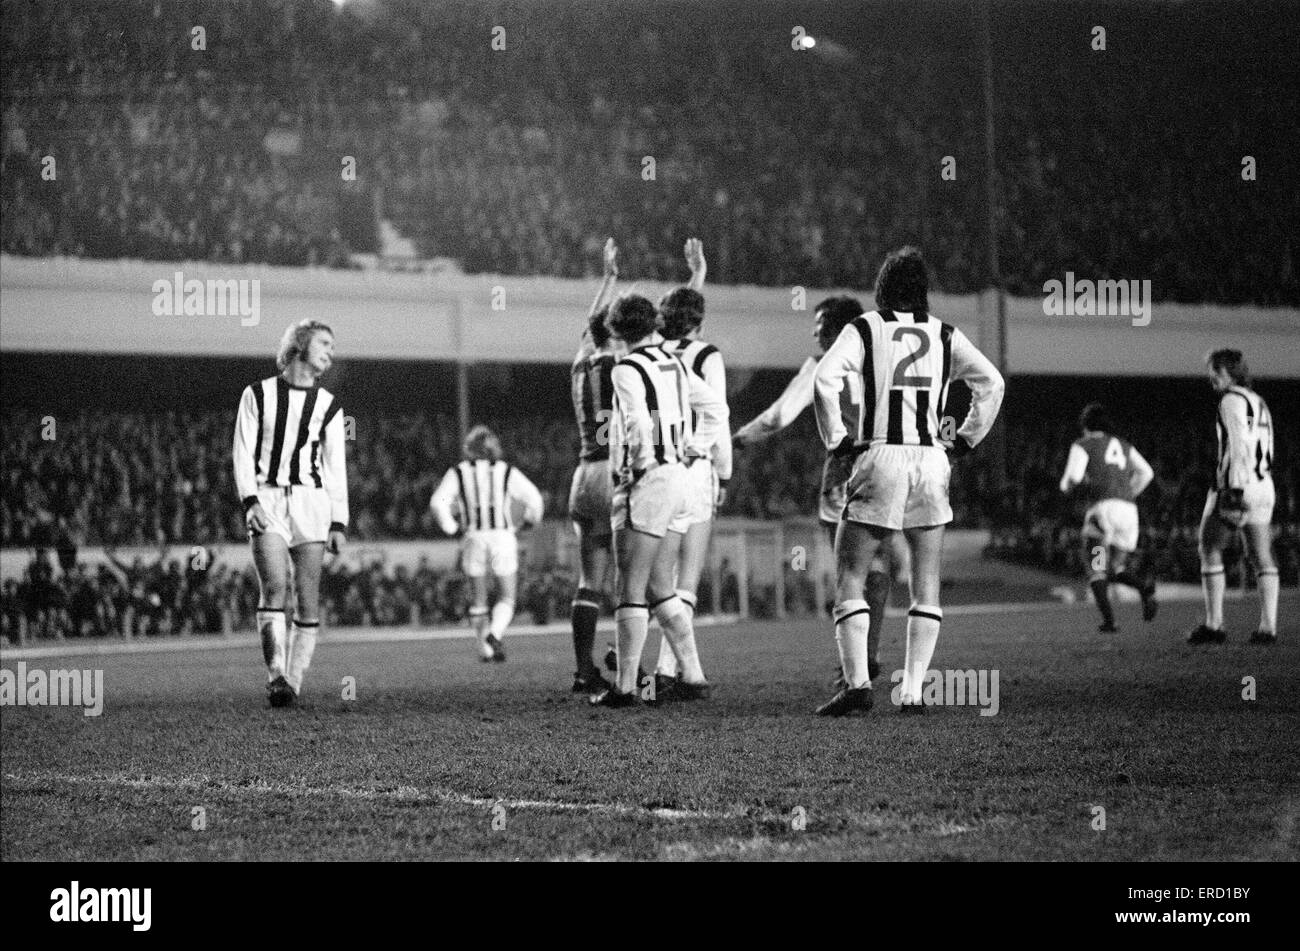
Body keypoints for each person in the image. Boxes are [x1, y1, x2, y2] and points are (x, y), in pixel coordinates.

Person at [813, 246, 1004, 716]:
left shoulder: (866, 328)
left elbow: (824, 379)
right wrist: (965, 440)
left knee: (852, 575)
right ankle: (914, 692)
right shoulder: (944, 334)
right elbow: (993, 383)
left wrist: (837, 438)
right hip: (930, 460)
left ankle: (857, 685)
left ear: (881, 288)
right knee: (926, 582)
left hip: (881, 455)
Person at [733, 294, 910, 680]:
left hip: (845, 470)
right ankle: (872, 652)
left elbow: (779, 415)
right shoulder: (886, 360)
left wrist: (740, 438)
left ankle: (855, 669)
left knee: (849, 570)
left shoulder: (821, 365)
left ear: (842, 327)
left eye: (822, 324)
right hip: (890, 465)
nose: (815, 332)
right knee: (877, 565)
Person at [589, 293, 728, 707]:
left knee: (629, 588)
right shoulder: (677, 362)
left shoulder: (626, 368)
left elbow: (635, 419)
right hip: (682, 480)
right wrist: (695, 449)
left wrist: (643, 465)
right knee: (661, 587)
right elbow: (717, 410)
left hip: (651, 483)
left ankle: (626, 687)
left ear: (617, 331)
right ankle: (695, 675)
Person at [233, 319, 348, 708]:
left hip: (312, 504)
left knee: (308, 597)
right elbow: (243, 453)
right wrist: (249, 501)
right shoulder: (257, 394)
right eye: (325, 343)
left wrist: (338, 522)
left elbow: (335, 468)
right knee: (275, 587)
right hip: (267, 501)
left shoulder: (330, 406)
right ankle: (276, 675)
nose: (331, 352)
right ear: (300, 344)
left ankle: (294, 681)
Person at [649, 237, 731, 698]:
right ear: (699, 321)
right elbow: (718, 416)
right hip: (696, 466)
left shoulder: (652, 353)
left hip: (658, 468)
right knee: (685, 579)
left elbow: (678, 324)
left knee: (654, 576)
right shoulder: (707, 355)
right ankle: (669, 671)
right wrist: (723, 471)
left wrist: (695, 279)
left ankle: (662, 669)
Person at [1187, 349, 1278, 644]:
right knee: (1261, 556)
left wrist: (1234, 491)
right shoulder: (1258, 400)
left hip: (1238, 484)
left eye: (1216, 370)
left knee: (1209, 546)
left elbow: (1238, 443)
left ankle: (1214, 625)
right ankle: (1268, 628)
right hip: (1264, 484)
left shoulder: (1230, 399)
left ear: (1230, 372)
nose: (1211, 375)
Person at [431, 425, 544, 662]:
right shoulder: (505, 470)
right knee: (507, 597)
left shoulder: (459, 471)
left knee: (478, 599)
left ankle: (485, 649)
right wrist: (527, 524)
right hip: (502, 536)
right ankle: (495, 633)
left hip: (474, 536)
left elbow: (437, 503)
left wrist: (452, 528)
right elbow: (534, 500)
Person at [567, 238, 620, 691]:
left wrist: (608, 279)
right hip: (617, 476)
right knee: (632, 580)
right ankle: (628, 662)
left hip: (583, 475)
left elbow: (590, 327)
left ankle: (584, 670)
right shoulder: (628, 365)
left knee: (591, 579)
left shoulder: (580, 363)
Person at [1058, 402, 1158, 631]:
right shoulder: (1122, 445)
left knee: (1096, 569)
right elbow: (1147, 473)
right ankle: (1144, 589)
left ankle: (1110, 621)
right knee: (1115, 568)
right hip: (1129, 512)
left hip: (1102, 511)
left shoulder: (1083, 444)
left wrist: (1066, 488)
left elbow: (1072, 477)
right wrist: (1129, 492)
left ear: (1085, 425)